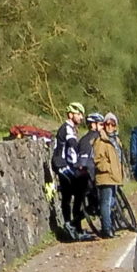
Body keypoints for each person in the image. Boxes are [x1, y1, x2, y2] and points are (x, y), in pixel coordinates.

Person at [51, 102, 85, 240]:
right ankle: (70, 225)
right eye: (79, 114)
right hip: (61, 165)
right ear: (71, 115)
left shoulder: (71, 128)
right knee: (72, 194)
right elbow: (72, 145)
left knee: (74, 194)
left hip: (67, 164)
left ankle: (74, 225)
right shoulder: (67, 128)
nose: (81, 117)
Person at [93, 112, 124, 238]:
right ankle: (107, 229)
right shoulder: (100, 141)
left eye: (113, 124)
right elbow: (98, 160)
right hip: (106, 177)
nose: (110, 126)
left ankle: (110, 226)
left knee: (111, 202)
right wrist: (109, 168)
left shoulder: (116, 140)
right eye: (107, 124)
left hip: (114, 177)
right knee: (106, 203)